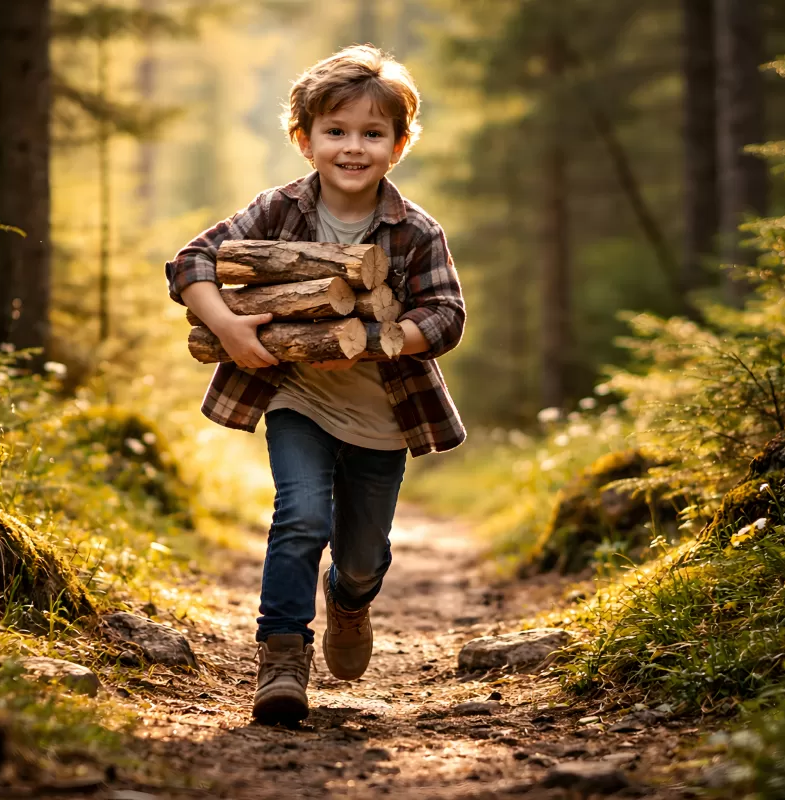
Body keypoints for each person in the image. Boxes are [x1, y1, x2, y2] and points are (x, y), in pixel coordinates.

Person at [165, 44, 466, 724]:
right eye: (335, 131)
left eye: (371, 134)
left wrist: (383, 339)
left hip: (384, 414)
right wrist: (232, 330)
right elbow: (191, 261)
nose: (352, 148)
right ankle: (281, 660)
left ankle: (351, 600)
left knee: (361, 557)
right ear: (304, 140)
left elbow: (447, 315)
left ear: (398, 144)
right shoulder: (278, 212)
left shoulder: (415, 231)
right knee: (300, 518)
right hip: (296, 397)